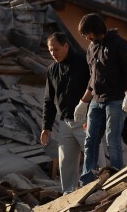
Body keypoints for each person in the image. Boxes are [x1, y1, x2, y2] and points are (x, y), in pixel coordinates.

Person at [75, 13, 127, 185]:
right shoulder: (91, 48)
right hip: (96, 100)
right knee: (90, 140)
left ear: (94, 30)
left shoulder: (118, 44)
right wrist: (83, 102)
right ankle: (87, 180)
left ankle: (117, 178)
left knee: (112, 140)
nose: (85, 37)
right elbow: (92, 79)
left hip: (116, 100)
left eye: (86, 33)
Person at [41, 32, 90, 194]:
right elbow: (49, 101)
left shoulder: (83, 63)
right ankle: (69, 194)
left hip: (85, 119)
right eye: (50, 50)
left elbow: (94, 88)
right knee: (66, 163)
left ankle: (99, 189)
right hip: (65, 122)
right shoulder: (52, 70)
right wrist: (46, 127)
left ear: (66, 46)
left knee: (93, 158)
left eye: (56, 49)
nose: (54, 53)